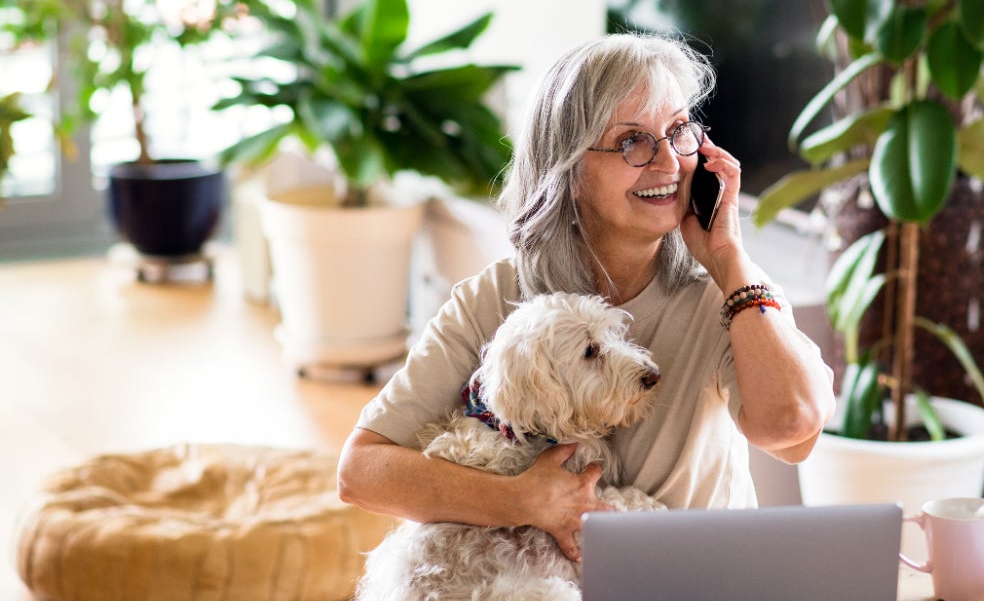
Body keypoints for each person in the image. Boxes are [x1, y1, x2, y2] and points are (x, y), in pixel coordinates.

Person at [336, 32, 835, 561]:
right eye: (632, 141)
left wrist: (730, 257)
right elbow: (362, 472)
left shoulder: (732, 293)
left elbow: (794, 432)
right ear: (569, 170)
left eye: (679, 130)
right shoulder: (496, 297)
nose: (669, 163)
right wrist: (521, 500)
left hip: (695, 580)